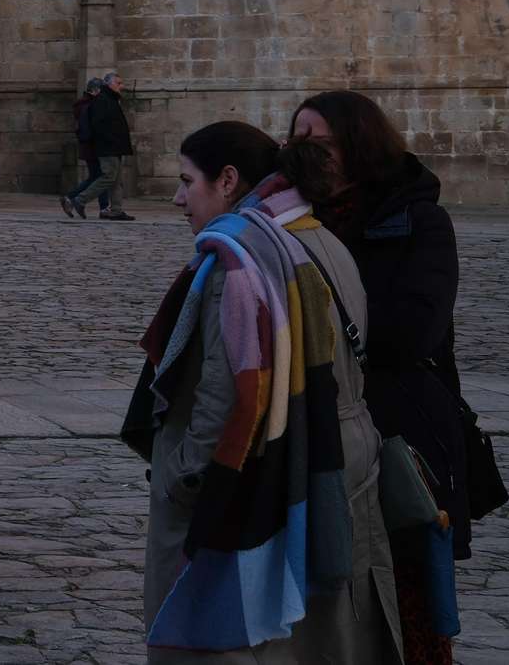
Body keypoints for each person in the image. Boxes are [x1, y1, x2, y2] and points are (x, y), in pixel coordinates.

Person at [133, 121, 389, 662]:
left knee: (217, 634)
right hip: (332, 454)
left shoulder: (237, 259)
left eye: (186, 181)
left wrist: (184, 477)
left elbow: (228, 397)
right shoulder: (320, 240)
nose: (178, 198)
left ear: (227, 180)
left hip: (253, 476)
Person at [284, 92, 466, 665]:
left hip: (397, 433)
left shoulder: (420, 222)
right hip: (319, 433)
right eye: (295, 141)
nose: (303, 154)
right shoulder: (291, 226)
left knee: (409, 602)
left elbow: (417, 328)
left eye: (318, 143)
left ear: (357, 145)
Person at [84, 72, 137, 220]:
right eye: (118, 83)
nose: (122, 86)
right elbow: (99, 125)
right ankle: (79, 200)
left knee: (116, 181)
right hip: (108, 148)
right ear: (109, 84)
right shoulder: (102, 99)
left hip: (115, 147)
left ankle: (116, 210)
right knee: (108, 178)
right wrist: (111, 141)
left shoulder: (111, 99)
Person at [62, 77, 105, 218]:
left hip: (89, 147)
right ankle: (76, 199)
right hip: (93, 147)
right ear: (94, 90)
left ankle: (72, 198)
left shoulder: (83, 105)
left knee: (97, 177)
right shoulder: (89, 105)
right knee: (102, 178)